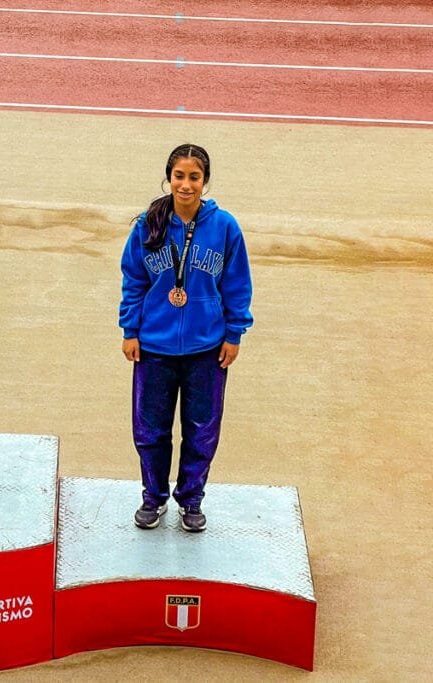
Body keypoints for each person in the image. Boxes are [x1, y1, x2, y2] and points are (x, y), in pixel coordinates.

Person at [119, 144, 253, 532]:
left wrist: (234, 333)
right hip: (154, 347)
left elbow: (237, 283)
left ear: (205, 181)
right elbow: (133, 280)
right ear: (169, 177)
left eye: (194, 177)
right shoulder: (149, 223)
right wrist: (130, 330)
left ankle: (191, 500)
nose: (186, 184)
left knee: (202, 429)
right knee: (150, 430)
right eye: (179, 176)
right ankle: (153, 496)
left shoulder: (224, 227)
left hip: (206, 349)